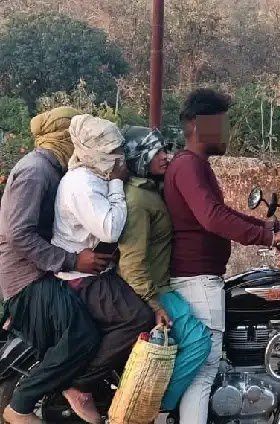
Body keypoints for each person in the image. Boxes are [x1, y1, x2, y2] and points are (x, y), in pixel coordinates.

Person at [163, 88, 280, 424]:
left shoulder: (194, 165)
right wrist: (267, 237)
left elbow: (220, 212)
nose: (225, 132)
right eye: (220, 124)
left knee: (206, 368)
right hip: (197, 280)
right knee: (203, 371)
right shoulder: (188, 166)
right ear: (196, 125)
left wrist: (267, 225)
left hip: (199, 279)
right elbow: (212, 218)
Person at [0, 107, 108, 424]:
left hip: (39, 272)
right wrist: (72, 260)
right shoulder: (35, 171)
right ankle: (20, 406)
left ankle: (68, 386)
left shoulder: (50, 169)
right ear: (64, 137)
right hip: (27, 277)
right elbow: (19, 234)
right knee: (82, 336)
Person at [50, 114, 154, 423]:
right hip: (82, 278)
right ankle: (80, 385)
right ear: (91, 151)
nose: (118, 158)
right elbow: (110, 229)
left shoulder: (95, 176)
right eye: (111, 152)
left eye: (119, 150)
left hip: (97, 272)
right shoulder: (82, 183)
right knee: (140, 318)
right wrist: (118, 184)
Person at [117, 126, 211, 413]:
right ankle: (156, 406)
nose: (165, 156)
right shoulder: (137, 199)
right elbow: (131, 261)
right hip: (155, 288)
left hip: (162, 284)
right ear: (139, 156)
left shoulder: (149, 190)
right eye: (156, 151)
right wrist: (153, 302)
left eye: (164, 150)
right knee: (199, 341)